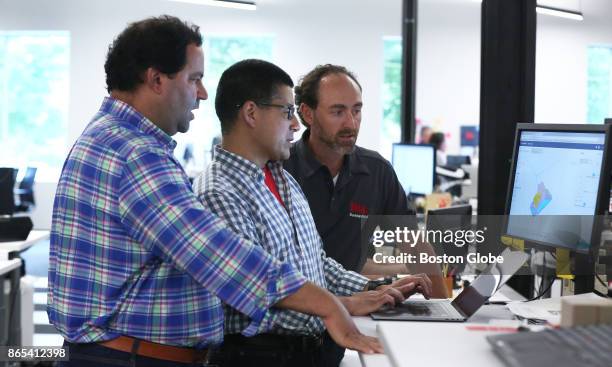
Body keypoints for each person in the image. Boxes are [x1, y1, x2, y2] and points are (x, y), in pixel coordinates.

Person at [48, 17, 382, 367]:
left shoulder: (115, 138)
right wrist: (329, 305)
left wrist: (350, 296)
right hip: (129, 357)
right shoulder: (136, 153)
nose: (203, 93)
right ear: (156, 79)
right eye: (194, 79)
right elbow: (219, 257)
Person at [192, 59, 433, 367]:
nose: (295, 125)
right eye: (287, 112)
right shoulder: (219, 194)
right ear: (251, 113)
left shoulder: (281, 179)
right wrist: (341, 305)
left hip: (313, 350)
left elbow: (314, 264)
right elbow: (253, 295)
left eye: (356, 110)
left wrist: (372, 289)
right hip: (265, 356)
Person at [283, 65, 448, 364]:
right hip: (290, 331)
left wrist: (445, 314)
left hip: (345, 323)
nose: (351, 122)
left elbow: (416, 246)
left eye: (357, 111)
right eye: (338, 112)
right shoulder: (282, 170)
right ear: (307, 114)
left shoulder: (376, 171)